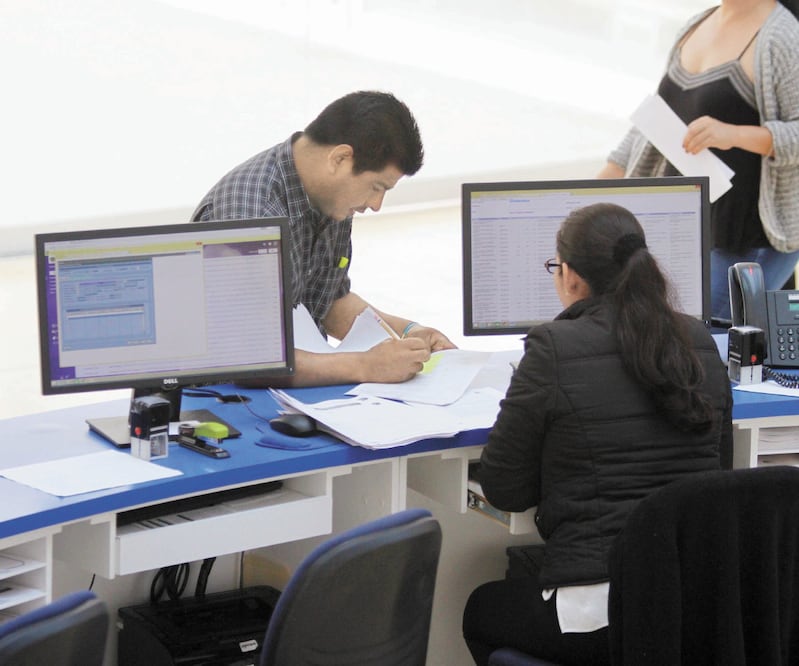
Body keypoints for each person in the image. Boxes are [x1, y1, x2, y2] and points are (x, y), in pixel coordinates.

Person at [461, 203, 733, 666]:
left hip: (598, 612)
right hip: (693, 604)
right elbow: (719, 472)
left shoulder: (553, 346)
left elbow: (504, 489)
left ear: (570, 277)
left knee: (480, 610)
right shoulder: (699, 342)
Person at [192, 90, 455, 387]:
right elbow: (251, 360)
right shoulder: (250, 211)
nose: (376, 204)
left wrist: (408, 332)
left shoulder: (332, 199)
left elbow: (329, 302)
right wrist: (366, 367)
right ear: (340, 158)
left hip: (295, 390)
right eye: (376, 187)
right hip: (225, 402)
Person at [597, 0, 799, 323]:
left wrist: (733, 134)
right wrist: (604, 181)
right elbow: (656, 120)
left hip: (750, 238)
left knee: (696, 340)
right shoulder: (695, 25)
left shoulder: (784, 36)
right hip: (689, 229)